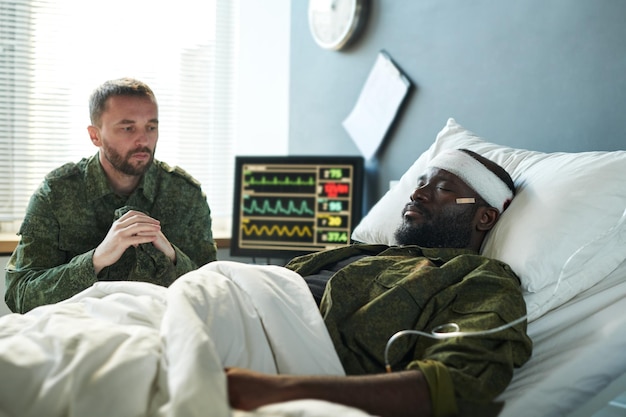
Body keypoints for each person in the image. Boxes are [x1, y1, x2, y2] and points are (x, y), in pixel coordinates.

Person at [225, 149, 533, 417]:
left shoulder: (478, 278)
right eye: (421, 184)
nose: (418, 194)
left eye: (443, 188)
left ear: (485, 218)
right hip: (234, 299)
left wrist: (279, 390)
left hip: (277, 350)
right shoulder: (359, 251)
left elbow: (456, 383)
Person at [4, 77, 218, 314]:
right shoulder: (56, 193)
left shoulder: (185, 195)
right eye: (128, 128)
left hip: (163, 332)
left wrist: (173, 256)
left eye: (151, 127)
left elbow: (216, 291)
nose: (144, 140)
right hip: (78, 332)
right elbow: (19, 295)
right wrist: (95, 260)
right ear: (95, 136)